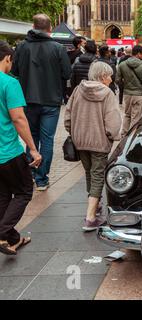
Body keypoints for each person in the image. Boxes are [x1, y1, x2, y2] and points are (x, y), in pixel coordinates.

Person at [11, 14, 71, 191]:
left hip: (27, 99)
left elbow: (14, 71)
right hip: (51, 101)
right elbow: (67, 73)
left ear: (33, 26)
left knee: (31, 138)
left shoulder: (22, 47)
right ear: (50, 28)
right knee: (47, 140)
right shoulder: (58, 48)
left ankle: (29, 174)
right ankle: (42, 179)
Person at [65, 62, 121, 231]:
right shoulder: (107, 94)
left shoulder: (77, 90)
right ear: (103, 76)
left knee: (90, 173)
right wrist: (112, 136)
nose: (111, 79)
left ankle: (94, 205)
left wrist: (73, 132)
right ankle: (90, 218)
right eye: (109, 75)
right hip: (99, 141)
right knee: (98, 175)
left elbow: (68, 116)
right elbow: (112, 122)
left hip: (80, 140)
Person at [0, 41, 42, 255]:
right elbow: (18, 118)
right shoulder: (9, 83)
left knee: (4, 195)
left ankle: (11, 238)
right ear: (7, 58)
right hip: (7, 151)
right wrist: (33, 149)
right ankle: (2, 232)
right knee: (25, 191)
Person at [117, 45, 142, 137]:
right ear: (138, 54)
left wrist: (125, 83)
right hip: (138, 94)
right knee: (136, 116)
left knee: (127, 114)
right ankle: (132, 134)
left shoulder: (122, 64)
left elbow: (117, 80)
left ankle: (124, 132)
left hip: (127, 94)